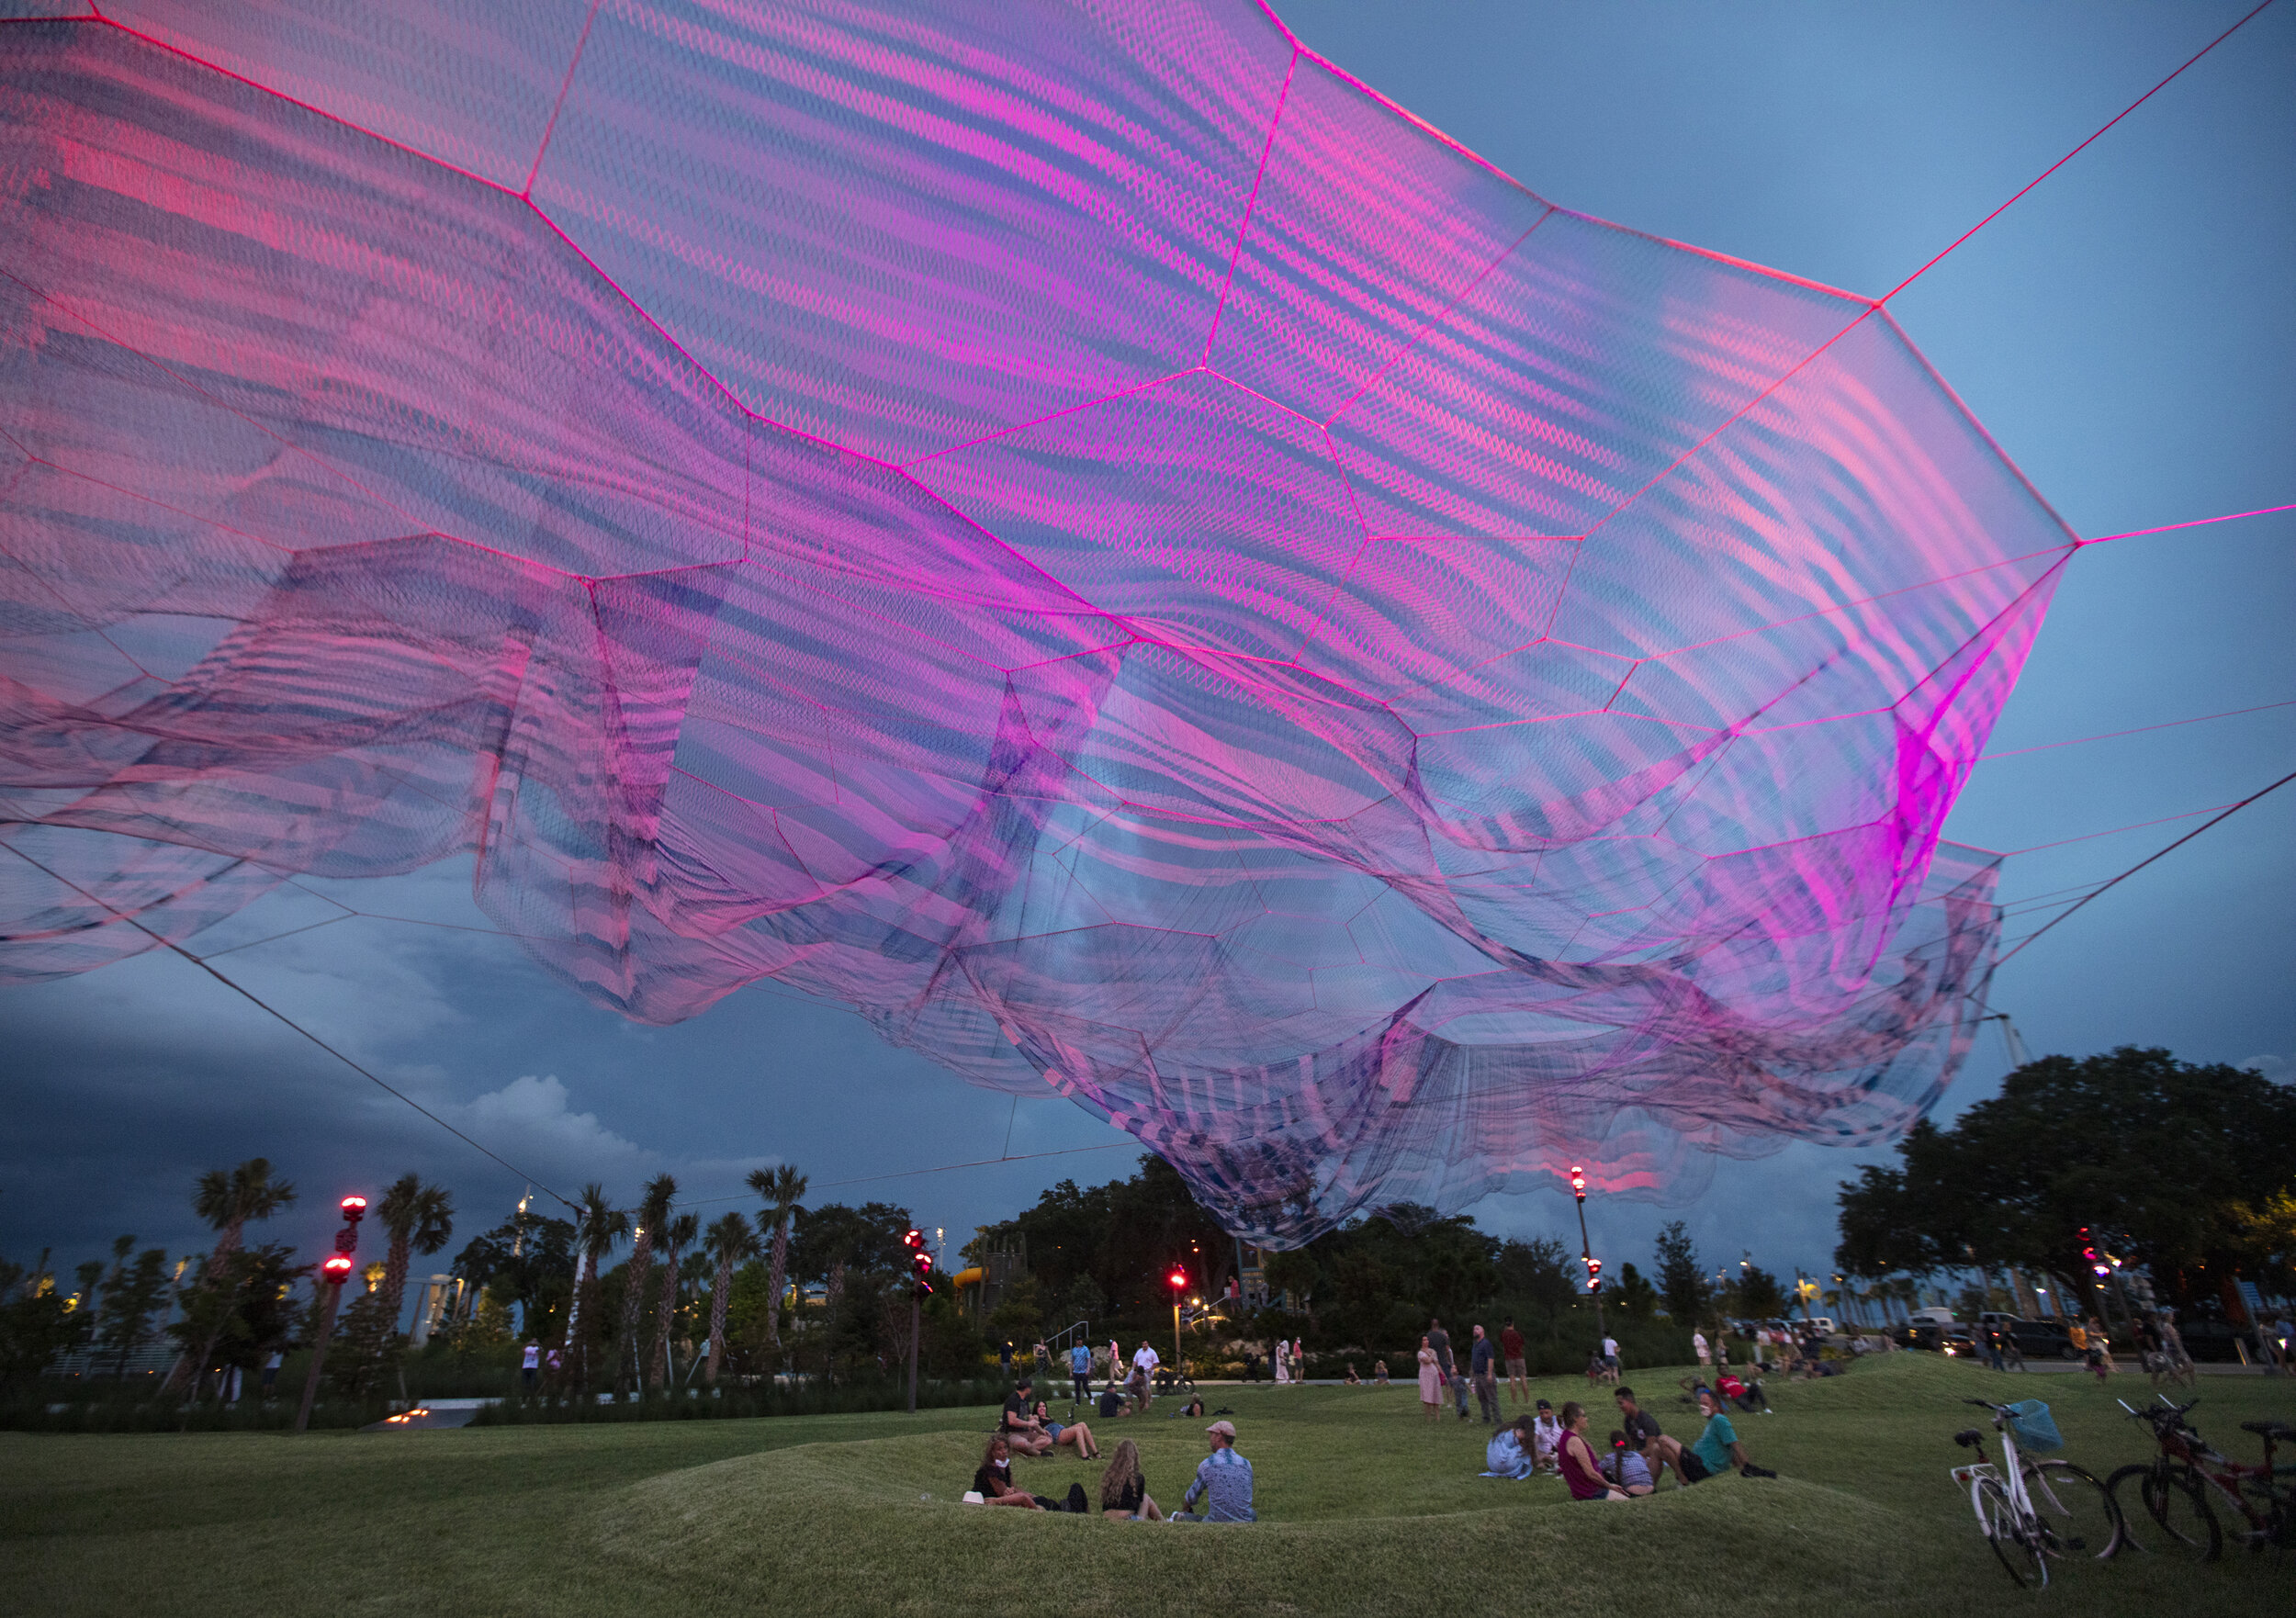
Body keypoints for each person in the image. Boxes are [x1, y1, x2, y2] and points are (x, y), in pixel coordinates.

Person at [1683, 1385, 1774, 1481]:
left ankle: (1682, 1483)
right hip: (1699, 1465)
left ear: (1716, 1405)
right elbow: (1729, 1448)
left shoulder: (1719, 1419)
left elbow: (1735, 1444)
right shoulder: (1712, 1421)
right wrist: (1739, 1468)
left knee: (1666, 1442)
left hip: (1704, 1468)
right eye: (1701, 1404)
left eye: (1705, 1404)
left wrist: (1748, 1466)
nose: (1702, 1407)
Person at [1174, 1419, 1255, 1522]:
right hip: (1244, 1522)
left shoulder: (1208, 1464)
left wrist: (1185, 1508)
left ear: (1219, 1437)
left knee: (1179, 1517)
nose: (1210, 1439)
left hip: (1216, 1522)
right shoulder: (1246, 1464)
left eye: (1211, 1435)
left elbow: (1192, 1497)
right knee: (1252, 1514)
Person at [1615, 1386, 1688, 1486]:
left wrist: (1633, 1456)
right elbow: (1629, 1443)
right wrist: (1620, 1447)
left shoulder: (1646, 1421)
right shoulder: (1628, 1420)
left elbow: (1651, 1449)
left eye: (1621, 1403)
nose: (1620, 1407)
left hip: (1652, 1455)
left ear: (1630, 1401)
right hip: (1639, 1455)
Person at [1555, 1401, 1627, 1500]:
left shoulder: (1567, 1437)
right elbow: (1591, 1473)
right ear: (1575, 1418)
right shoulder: (1574, 1441)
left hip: (1587, 1489)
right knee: (1627, 1502)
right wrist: (1609, 1486)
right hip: (1591, 1492)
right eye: (1584, 1416)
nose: (1586, 1419)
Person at [973, 1435, 1048, 1510]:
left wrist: (1029, 1495)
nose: (1004, 1451)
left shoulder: (1005, 1466)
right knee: (1025, 1498)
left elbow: (1013, 1487)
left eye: (1005, 1447)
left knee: (1039, 1499)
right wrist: (1013, 1492)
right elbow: (1003, 1493)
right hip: (992, 1499)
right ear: (992, 1452)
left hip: (1005, 1497)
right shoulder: (990, 1470)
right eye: (999, 1449)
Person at [1099, 1437, 1162, 1520]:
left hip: (1108, 1516)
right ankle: (1164, 1523)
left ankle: (1164, 1523)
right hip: (1127, 1518)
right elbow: (1138, 1503)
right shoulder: (1137, 1477)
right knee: (1146, 1498)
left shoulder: (1109, 1476)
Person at [1032, 1397, 1101, 1458]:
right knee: (1078, 1429)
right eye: (1039, 1407)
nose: (1042, 1408)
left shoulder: (1047, 1417)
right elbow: (1034, 1426)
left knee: (1082, 1424)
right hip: (1057, 1436)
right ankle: (1084, 1455)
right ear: (1036, 1409)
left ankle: (1096, 1452)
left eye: (1044, 1406)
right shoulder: (1036, 1417)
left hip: (1062, 1430)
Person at [1428, 1317, 1468, 1421]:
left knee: (1433, 1385)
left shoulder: (1428, 1335)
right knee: (1448, 1383)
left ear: (1432, 1325)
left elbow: (1427, 1349)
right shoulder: (1442, 1336)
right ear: (1438, 1325)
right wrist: (1450, 1361)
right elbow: (1447, 1349)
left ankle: (1434, 1407)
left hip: (1432, 1363)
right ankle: (1450, 1401)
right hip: (1443, 1362)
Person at [1001, 1378, 1053, 1455]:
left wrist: (1042, 1431)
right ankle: (1038, 1453)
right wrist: (1028, 1424)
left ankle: (1026, 1450)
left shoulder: (1025, 1400)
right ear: (1027, 1388)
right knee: (1024, 1444)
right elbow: (1012, 1421)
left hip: (1026, 1433)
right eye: (1030, 1388)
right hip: (1013, 1433)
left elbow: (1031, 1419)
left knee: (1048, 1439)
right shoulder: (1013, 1400)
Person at [1602, 1431, 1657, 1495]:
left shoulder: (1610, 1458)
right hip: (1651, 1490)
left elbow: (1596, 1469)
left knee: (1604, 1473)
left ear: (1612, 1444)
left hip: (1632, 1492)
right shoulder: (1637, 1455)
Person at [1484, 1414, 1536, 1479]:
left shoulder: (1505, 1430)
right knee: (1525, 1448)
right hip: (1503, 1464)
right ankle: (1522, 1470)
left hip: (1491, 1464)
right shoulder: (1518, 1432)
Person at [1469, 1324, 1500, 1423]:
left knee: (1492, 1398)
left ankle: (1497, 1419)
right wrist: (1472, 1374)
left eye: (1477, 1329)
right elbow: (1474, 1359)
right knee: (1482, 1398)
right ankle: (1486, 1418)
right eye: (1474, 1329)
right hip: (1478, 1375)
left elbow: (1490, 1358)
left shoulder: (1486, 1343)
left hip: (1485, 1374)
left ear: (1482, 1331)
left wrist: (1490, 1374)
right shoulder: (1475, 1344)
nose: (1475, 1331)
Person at [1528, 1398, 1563, 1474]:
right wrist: (1538, 1459)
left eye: (1547, 1412)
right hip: (1544, 1453)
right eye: (1541, 1413)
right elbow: (1535, 1441)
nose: (1545, 1416)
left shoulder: (1559, 1421)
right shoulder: (1536, 1423)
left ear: (1552, 1412)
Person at [1500, 1316, 1528, 1406]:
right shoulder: (1517, 1334)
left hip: (1509, 1358)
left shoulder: (1504, 1334)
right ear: (1513, 1323)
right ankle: (1526, 1399)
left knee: (1512, 1380)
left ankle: (1514, 1401)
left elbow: (1503, 1344)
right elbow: (1522, 1344)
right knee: (1523, 1379)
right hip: (1519, 1357)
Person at [1416, 1335, 1442, 1422]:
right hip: (1425, 1376)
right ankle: (1428, 1419)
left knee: (1435, 1395)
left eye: (1427, 1339)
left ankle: (1438, 1417)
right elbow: (1427, 1361)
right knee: (1427, 1396)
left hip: (1434, 1374)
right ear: (1421, 1342)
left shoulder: (1432, 1350)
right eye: (1424, 1340)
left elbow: (1437, 1363)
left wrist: (1442, 1373)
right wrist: (1433, 1354)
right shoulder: (1420, 1353)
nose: (1426, 1341)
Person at [1131, 1338, 1161, 1411]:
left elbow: (1156, 1362)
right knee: (1143, 1386)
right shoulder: (1139, 1351)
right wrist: (1132, 1369)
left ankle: (1146, 1402)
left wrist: (1151, 1369)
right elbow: (1135, 1361)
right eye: (1143, 1344)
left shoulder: (1152, 1352)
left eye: (1146, 1344)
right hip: (1139, 1371)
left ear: (1148, 1344)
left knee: (1145, 1387)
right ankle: (1148, 1398)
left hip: (1147, 1372)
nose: (1144, 1345)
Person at [1067, 1338, 1093, 1406]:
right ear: (1076, 1341)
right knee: (1077, 1387)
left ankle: (1090, 1398)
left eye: (1080, 1340)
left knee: (1085, 1386)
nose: (1079, 1341)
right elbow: (1072, 1361)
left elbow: (1088, 1359)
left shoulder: (1085, 1349)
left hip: (1084, 1371)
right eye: (1078, 1340)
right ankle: (1077, 1401)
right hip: (1076, 1371)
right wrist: (1070, 1372)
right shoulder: (1074, 1350)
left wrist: (1088, 1369)